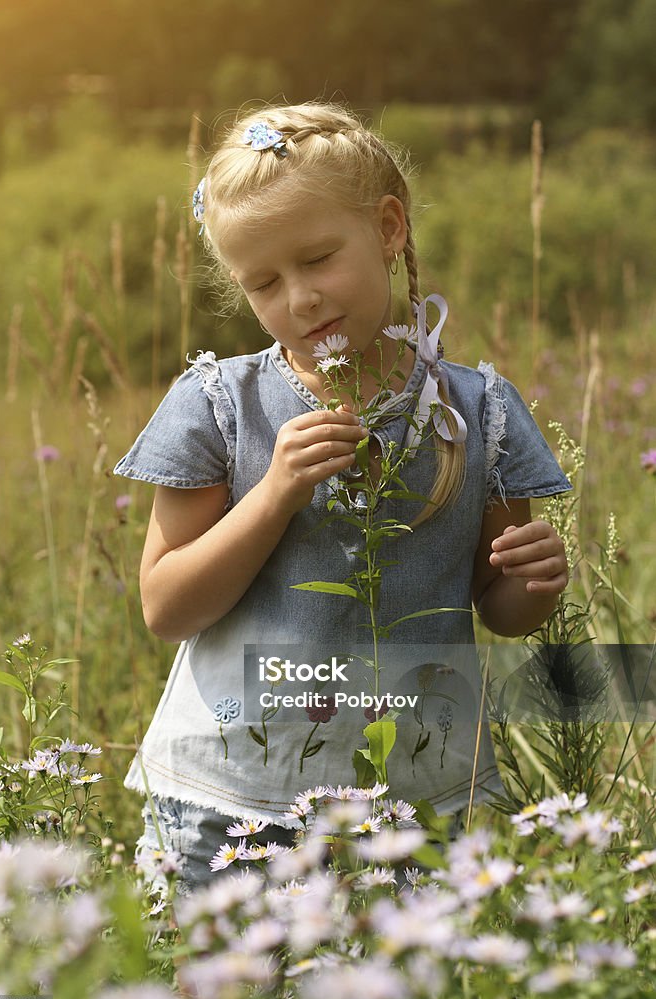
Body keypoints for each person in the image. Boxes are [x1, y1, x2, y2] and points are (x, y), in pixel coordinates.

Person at [114, 101, 571, 893]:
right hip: (230, 802)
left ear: (388, 229)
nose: (300, 300)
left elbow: (497, 609)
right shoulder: (220, 404)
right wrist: (273, 495)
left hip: (408, 801)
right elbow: (166, 608)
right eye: (262, 282)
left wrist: (529, 584)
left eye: (318, 258)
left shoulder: (479, 411)